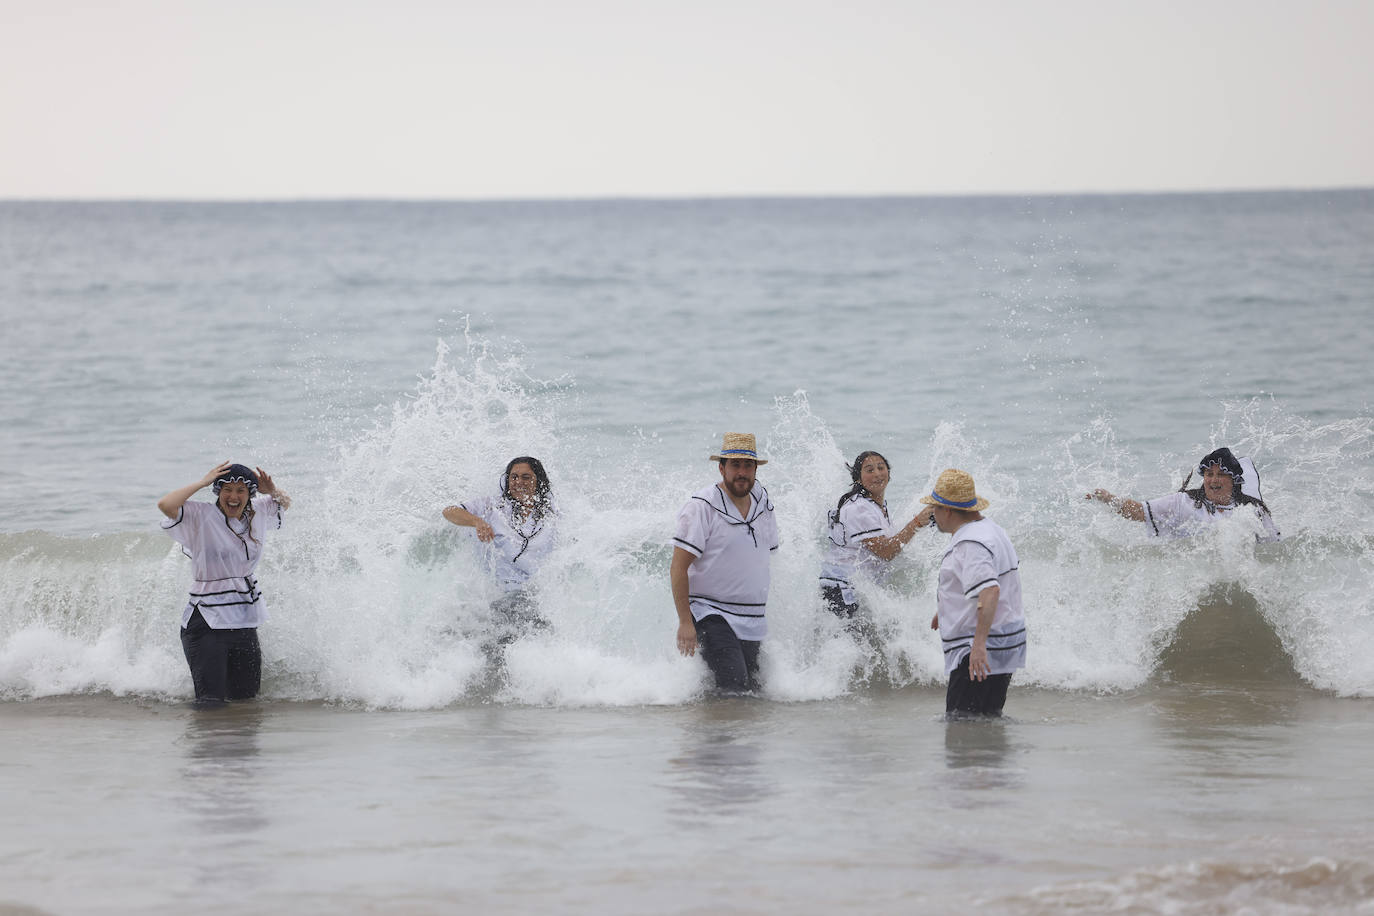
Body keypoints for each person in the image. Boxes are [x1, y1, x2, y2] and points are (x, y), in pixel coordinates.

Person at [158, 461, 290, 705]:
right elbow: (165, 504)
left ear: (249, 494)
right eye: (227, 489)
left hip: (244, 620)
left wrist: (271, 490)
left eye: (241, 490)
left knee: (246, 702)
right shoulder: (200, 515)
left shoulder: (258, 511)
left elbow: (285, 503)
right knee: (211, 703)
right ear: (218, 491)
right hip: (206, 623)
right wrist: (202, 482)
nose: (233, 496)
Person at [671, 432, 780, 693]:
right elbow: (678, 567)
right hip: (711, 613)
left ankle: (714, 730)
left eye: (747, 466)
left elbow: (765, 552)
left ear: (756, 469)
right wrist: (685, 622)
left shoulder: (762, 501)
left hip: (752, 618)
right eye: (735, 465)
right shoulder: (702, 506)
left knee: (754, 691)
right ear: (721, 468)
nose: (741, 473)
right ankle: (718, 734)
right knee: (734, 687)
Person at [923, 469, 1027, 717]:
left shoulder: (970, 543)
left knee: (961, 727)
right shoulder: (991, 529)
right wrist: (947, 609)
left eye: (934, 508)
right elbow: (993, 578)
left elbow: (990, 590)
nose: (932, 515)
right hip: (1004, 642)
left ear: (947, 510)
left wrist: (978, 646)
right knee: (986, 722)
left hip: (978, 650)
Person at [442, 456, 556, 641]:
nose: (519, 482)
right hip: (498, 595)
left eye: (526, 477)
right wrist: (477, 522)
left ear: (538, 481)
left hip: (533, 596)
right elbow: (449, 511)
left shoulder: (552, 512)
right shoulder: (494, 506)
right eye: (514, 477)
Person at [819, 450, 935, 621]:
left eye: (881, 468)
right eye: (869, 470)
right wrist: (917, 522)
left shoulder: (875, 505)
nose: (877, 474)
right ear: (858, 478)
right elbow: (885, 551)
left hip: (847, 588)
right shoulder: (859, 508)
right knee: (848, 646)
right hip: (840, 590)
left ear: (889, 472)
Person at [1085, 447, 1279, 542]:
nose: (1213, 480)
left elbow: (1274, 549)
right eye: (1209, 474)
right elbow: (1138, 511)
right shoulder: (1182, 502)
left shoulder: (1252, 511)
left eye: (1221, 474)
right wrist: (1107, 498)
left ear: (1235, 480)